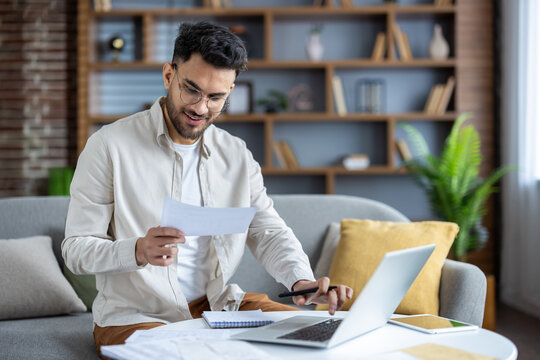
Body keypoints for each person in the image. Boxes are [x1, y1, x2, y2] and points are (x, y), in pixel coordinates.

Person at [62, 21, 353, 355]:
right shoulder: (108, 146)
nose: (201, 108)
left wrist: (301, 281)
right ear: (169, 75)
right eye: (192, 90)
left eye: (216, 97)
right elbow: (76, 249)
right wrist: (138, 250)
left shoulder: (236, 154)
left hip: (219, 307)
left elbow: (267, 231)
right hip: (136, 316)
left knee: (323, 335)